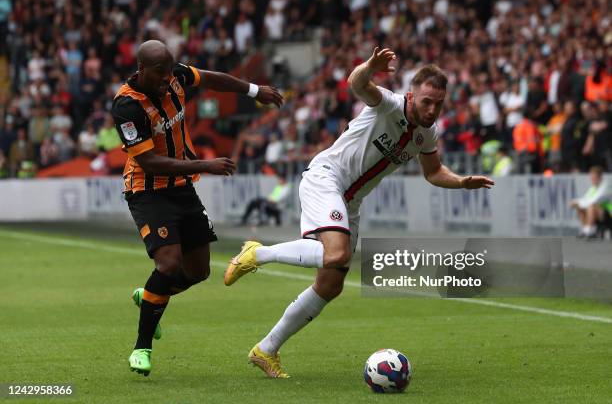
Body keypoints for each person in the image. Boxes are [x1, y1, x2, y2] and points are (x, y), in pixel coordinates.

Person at [224, 47, 494, 378]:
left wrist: (462, 181)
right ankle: (258, 253)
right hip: (327, 178)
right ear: (411, 96)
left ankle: (266, 349)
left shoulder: (427, 133)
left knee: (330, 285)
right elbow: (358, 83)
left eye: (439, 103)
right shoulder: (389, 103)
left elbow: (434, 171)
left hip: (351, 201)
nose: (432, 109)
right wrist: (370, 66)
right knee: (335, 254)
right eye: (426, 101)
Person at [112, 40, 283, 376]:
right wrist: (204, 166)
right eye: (159, 73)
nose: (167, 79)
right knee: (169, 263)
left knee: (198, 271)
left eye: (169, 71)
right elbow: (148, 162)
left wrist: (253, 90)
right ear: (142, 69)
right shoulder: (126, 107)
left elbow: (213, 78)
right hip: (148, 190)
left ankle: (150, 296)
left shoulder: (173, 75)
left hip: (181, 188)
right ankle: (141, 348)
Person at [570, 166, 611, 239]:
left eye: (594, 177)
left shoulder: (606, 186)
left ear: (600, 177)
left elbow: (595, 200)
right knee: (579, 206)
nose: (592, 179)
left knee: (591, 206)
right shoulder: (593, 187)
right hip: (601, 212)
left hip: (609, 213)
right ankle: (586, 229)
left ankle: (590, 230)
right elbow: (585, 198)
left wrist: (579, 203)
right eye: (591, 177)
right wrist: (576, 202)